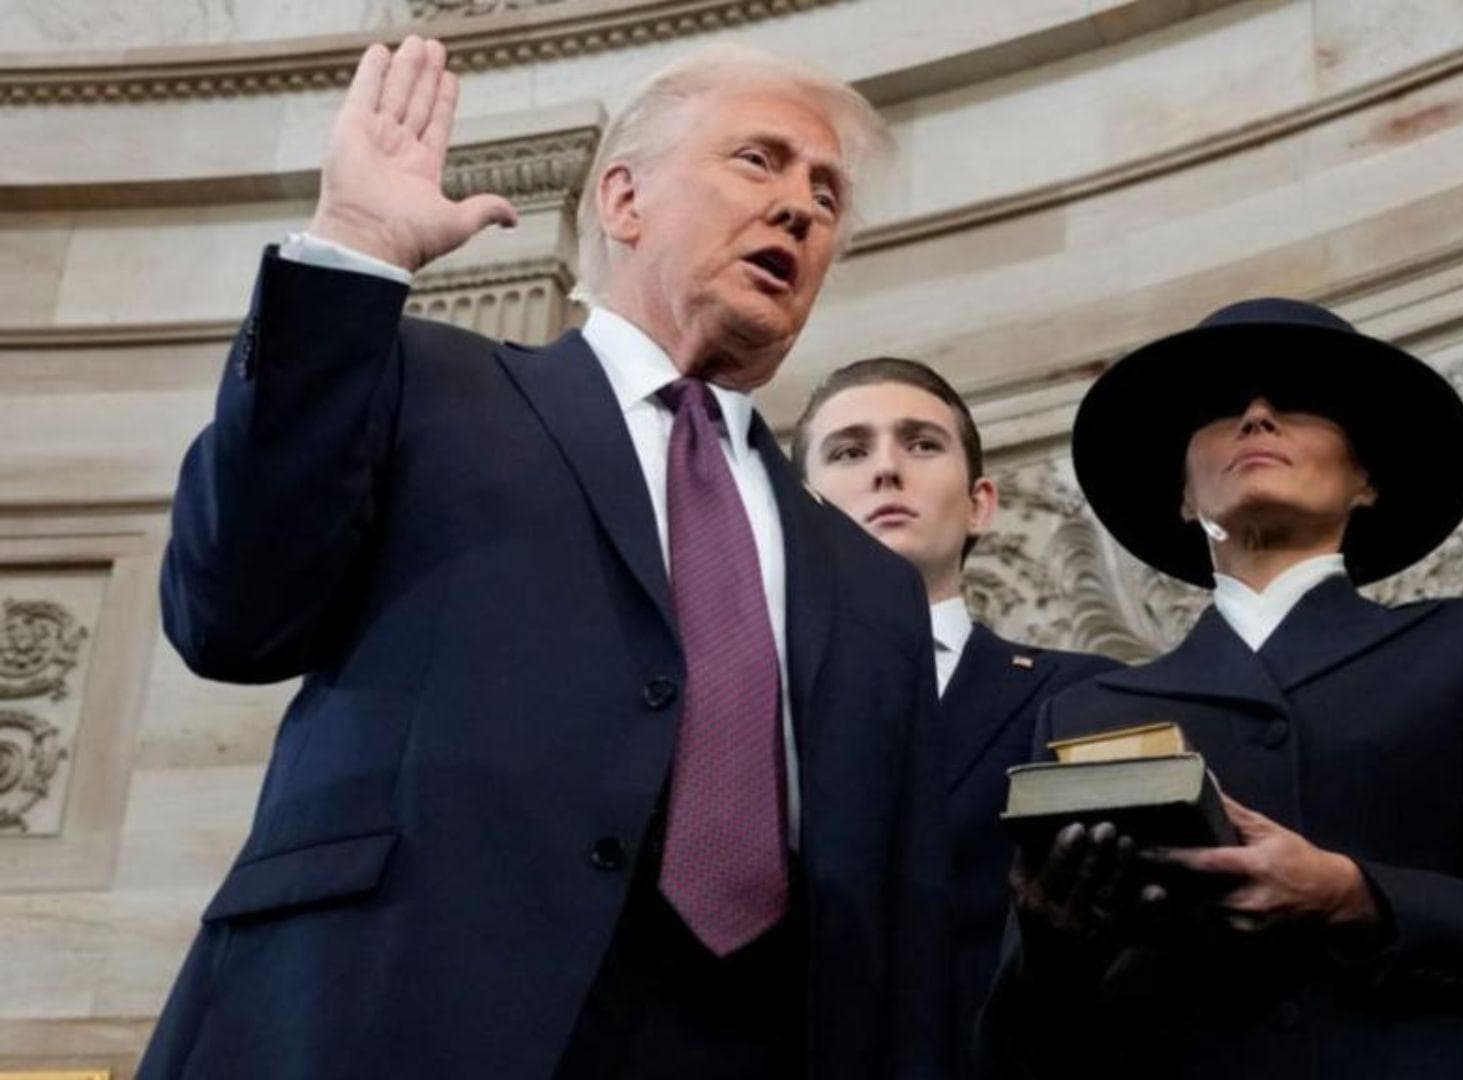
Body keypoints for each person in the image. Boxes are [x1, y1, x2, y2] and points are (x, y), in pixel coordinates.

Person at [140, 37, 948, 1079]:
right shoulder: (424, 386)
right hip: (395, 1014)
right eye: (761, 161)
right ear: (623, 199)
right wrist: (352, 248)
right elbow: (232, 613)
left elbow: (905, 930)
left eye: (827, 193)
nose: (799, 205)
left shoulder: (873, 586)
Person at [979, 298, 1463, 1079]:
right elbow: (1013, 1058)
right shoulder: (1088, 711)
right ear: (1185, 496)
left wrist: (1354, 893)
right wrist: (1054, 948)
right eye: (1224, 410)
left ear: (1366, 481)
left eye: (1299, 404)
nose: (1256, 417)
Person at [793, 357, 1123, 1061]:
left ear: (980, 503)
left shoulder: (1087, 698)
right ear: (797, 513)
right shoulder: (740, 711)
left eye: (920, 444)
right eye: (850, 451)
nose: (886, 470)